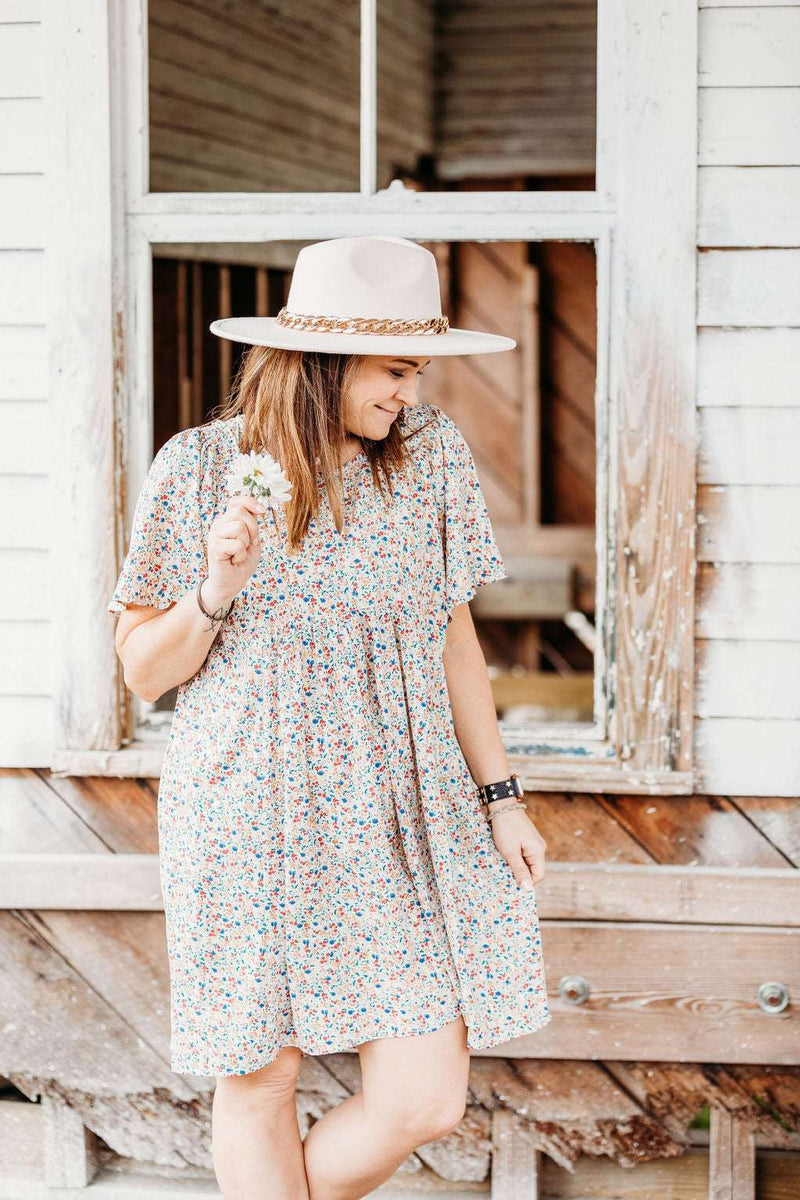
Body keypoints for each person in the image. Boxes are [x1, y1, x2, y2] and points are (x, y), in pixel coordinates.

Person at [108, 235, 550, 1200]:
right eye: (396, 371)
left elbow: (454, 643)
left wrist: (501, 796)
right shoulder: (199, 468)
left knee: (426, 1097)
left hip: (403, 806)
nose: (411, 394)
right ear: (325, 360)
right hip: (250, 807)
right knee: (261, 1076)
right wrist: (216, 589)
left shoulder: (427, 457)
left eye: (418, 371)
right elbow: (145, 671)